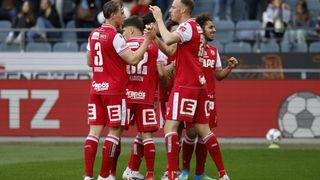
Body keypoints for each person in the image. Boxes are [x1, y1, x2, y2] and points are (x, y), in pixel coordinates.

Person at [150, 0, 231, 179]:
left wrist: (158, 19)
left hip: (185, 84)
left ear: (183, 10)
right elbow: (172, 52)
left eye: (173, 8)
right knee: (204, 130)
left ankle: (171, 173)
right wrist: (155, 37)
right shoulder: (196, 29)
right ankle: (223, 174)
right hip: (199, 85)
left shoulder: (187, 27)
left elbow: (170, 39)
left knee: (170, 127)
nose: (170, 10)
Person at [83, 1, 153, 180]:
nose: (124, 16)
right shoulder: (116, 36)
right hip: (114, 90)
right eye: (121, 12)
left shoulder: (93, 35)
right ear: (113, 14)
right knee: (114, 131)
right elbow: (133, 59)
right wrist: (147, 40)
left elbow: (90, 62)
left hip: (96, 88)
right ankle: (104, 176)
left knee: (93, 133)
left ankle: (88, 176)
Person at [179, 13, 238, 180]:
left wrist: (229, 67)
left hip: (208, 100)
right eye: (210, 27)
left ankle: (199, 174)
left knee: (204, 135)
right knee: (190, 133)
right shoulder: (189, 49)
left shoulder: (213, 51)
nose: (215, 30)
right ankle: (184, 171)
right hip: (191, 96)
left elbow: (218, 75)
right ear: (200, 30)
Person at [119, 15, 167, 180]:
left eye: (124, 31)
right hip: (145, 97)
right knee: (147, 135)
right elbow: (161, 72)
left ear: (131, 30)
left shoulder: (123, 45)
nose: (123, 35)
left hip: (126, 97)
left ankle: (109, 174)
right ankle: (150, 175)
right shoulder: (153, 45)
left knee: (114, 134)